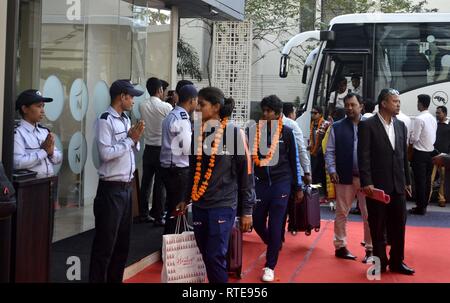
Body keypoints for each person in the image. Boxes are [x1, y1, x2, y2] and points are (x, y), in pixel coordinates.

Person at [178, 86, 254, 283]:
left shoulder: (235, 135)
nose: (197, 109)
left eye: (201, 105)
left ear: (216, 107)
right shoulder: (197, 133)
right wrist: (185, 199)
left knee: (214, 257)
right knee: (206, 255)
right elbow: (193, 171)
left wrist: (247, 211)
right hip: (200, 205)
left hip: (222, 206)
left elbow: (246, 175)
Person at [89, 79, 145, 283]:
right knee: (105, 245)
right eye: (131, 97)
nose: (133, 101)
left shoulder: (125, 119)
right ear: (121, 96)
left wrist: (134, 139)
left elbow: (132, 147)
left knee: (123, 245)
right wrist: (130, 140)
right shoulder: (106, 119)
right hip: (110, 189)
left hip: (126, 188)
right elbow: (105, 153)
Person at [358, 88, 414, 275]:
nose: (398, 104)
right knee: (377, 227)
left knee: (399, 226)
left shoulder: (401, 126)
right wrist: (366, 182)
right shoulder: (367, 125)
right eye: (395, 101)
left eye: (398, 101)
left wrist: (406, 180)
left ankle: (398, 261)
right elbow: (363, 155)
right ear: (383, 103)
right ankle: (379, 263)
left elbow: (403, 156)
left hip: (398, 185)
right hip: (376, 186)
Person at [250, 95, 303, 282]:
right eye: (263, 110)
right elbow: (249, 160)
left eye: (269, 111)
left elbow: (294, 160)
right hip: (261, 183)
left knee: (276, 224)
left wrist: (298, 186)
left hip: (282, 183)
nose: (265, 114)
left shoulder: (287, 133)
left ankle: (270, 266)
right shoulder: (254, 132)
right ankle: (273, 242)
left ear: (278, 114)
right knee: (256, 221)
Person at [324, 93, 372, 263]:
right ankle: (340, 246)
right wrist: (331, 170)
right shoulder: (336, 127)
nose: (349, 108)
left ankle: (370, 249)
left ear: (361, 106)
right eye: (347, 105)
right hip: (344, 176)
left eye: (353, 105)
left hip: (367, 179)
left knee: (369, 215)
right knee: (341, 213)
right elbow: (329, 151)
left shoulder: (370, 126)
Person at [160, 85, 198, 235]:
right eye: (197, 101)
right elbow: (188, 148)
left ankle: (172, 238)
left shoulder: (173, 114)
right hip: (178, 170)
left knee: (174, 209)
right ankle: (172, 244)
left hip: (170, 168)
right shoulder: (181, 119)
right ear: (192, 100)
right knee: (177, 209)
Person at [138, 77, 173, 225]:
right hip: (162, 149)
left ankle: (143, 213)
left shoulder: (142, 105)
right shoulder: (166, 107)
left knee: (146, 182)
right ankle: (159, 216)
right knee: (160, 184)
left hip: (148, 148)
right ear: (159, 90)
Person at [14, 89, 62, 176]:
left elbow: (59, 158)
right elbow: (17, 163)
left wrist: (51, 152)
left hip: (49, 183)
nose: (43, 111)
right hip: (31, 186)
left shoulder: (44, 131)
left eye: (43, 106)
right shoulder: (18, 133)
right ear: (25, 109)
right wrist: (44, 152)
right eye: (39, 106)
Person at [281, 102, 311, 236]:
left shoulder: (291, 125)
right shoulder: (263, 127)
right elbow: (301, 148)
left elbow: (301, 148)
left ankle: (289, 227)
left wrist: (306, 170)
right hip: (277, 173)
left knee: (290, 200)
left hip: (289, 171)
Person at [409, 94, 437, 215]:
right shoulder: (432, 118)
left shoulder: (419, 118)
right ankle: (424, 205)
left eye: (417, 102)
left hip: (419, 154)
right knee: (427, 181)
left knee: (419, 182)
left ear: (420, 103)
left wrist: (410, 138)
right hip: (430, 154)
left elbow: (414, 138)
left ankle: (420, 207)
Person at [431, 106, 450, 206]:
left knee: (443, 179)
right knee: (431, 178)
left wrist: (447, 155)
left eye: (439, 113)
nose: (437, 115)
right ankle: (427, 197)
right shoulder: (435, 125)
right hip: (434, 156)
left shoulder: (449, 125)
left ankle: (441, 199)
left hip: (444, 157)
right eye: (436, 113)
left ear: (445, 113)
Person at [309, 106, 328, 194]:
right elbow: (312, 138)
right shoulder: (313, 124)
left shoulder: (325, 124)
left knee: (322, 174)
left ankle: (324, 192)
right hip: (314, 153)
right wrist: (310, 146)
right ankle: (315, 191)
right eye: (311, 113)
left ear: (320, 114)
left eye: (315, 113)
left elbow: (325, 140)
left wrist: (318, 150)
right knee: (314, 173)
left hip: (321, 153)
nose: (313, 115)